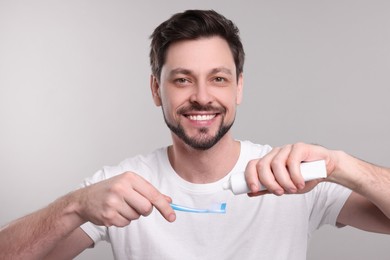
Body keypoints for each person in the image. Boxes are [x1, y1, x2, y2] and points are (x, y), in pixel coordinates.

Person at [1, 9, 390, 260]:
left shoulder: (292, 178)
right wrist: (75, 206)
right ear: (157, 90)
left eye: (218, 79)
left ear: (238, 88)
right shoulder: (117, 190)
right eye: (183, 80)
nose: (202, 97)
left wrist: (341, 166)